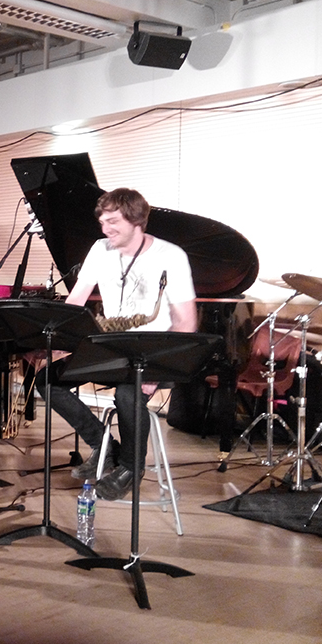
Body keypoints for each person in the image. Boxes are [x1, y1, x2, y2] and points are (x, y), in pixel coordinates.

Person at [35, 188, 197, 501]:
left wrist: (157, 370)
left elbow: (186, 322)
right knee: (47, 381)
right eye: (102, 221)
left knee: (127, 393)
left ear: (136, 221)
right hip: (111, 347)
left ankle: (130, 468)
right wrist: (58, 343)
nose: (104, 228)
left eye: (112, 221)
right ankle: (104, 445)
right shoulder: (100, 249)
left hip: (152, 354)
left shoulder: (171, 256)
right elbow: (76, 301)